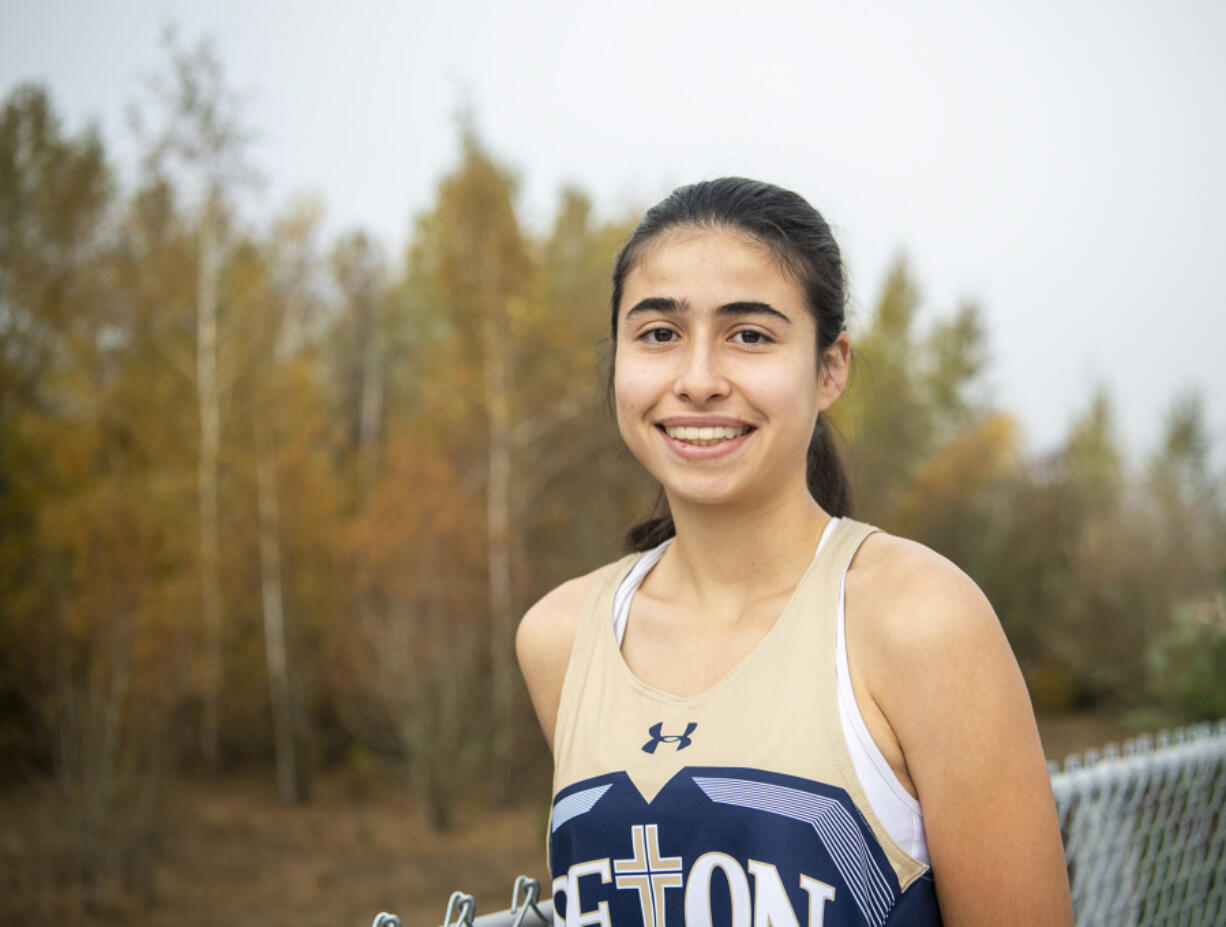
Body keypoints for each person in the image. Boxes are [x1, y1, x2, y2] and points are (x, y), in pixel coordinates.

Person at [516, 178, 1072, 926]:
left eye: (749, 334)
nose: (699, 380)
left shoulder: (919, 621)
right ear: (615, 356)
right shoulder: (560, 638)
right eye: (658, 334)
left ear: (830, 367)